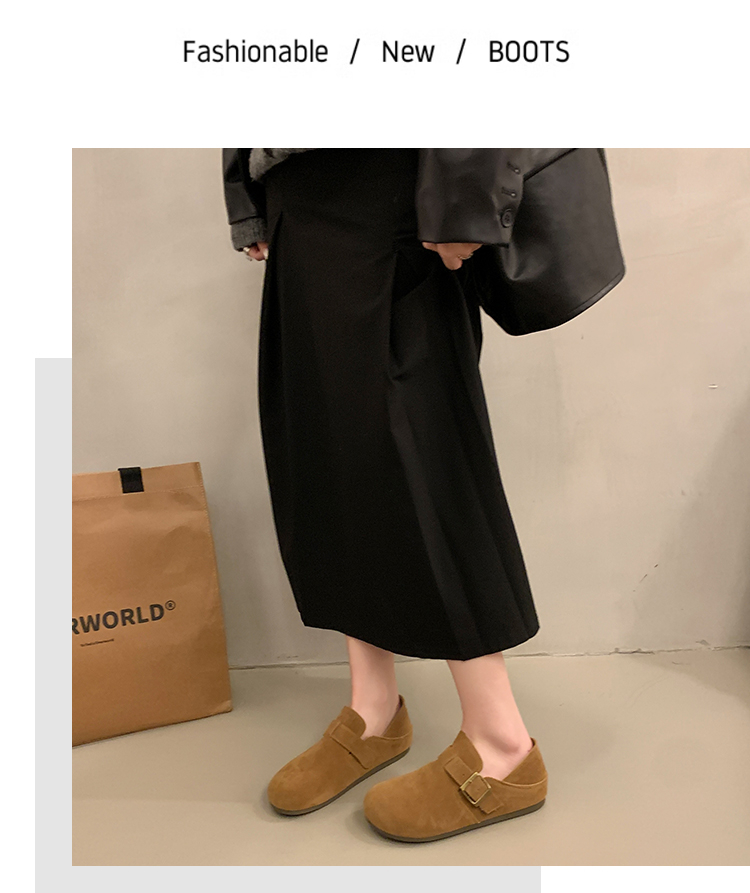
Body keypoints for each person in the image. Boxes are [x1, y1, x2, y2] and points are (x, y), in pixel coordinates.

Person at [222, 148, 548, 843]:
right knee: (333, 460)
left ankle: (503, 745)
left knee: (427, 459)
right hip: (297, 197)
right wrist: (248, 197)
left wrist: (467, 202)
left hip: (394, 186)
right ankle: (374, 710)